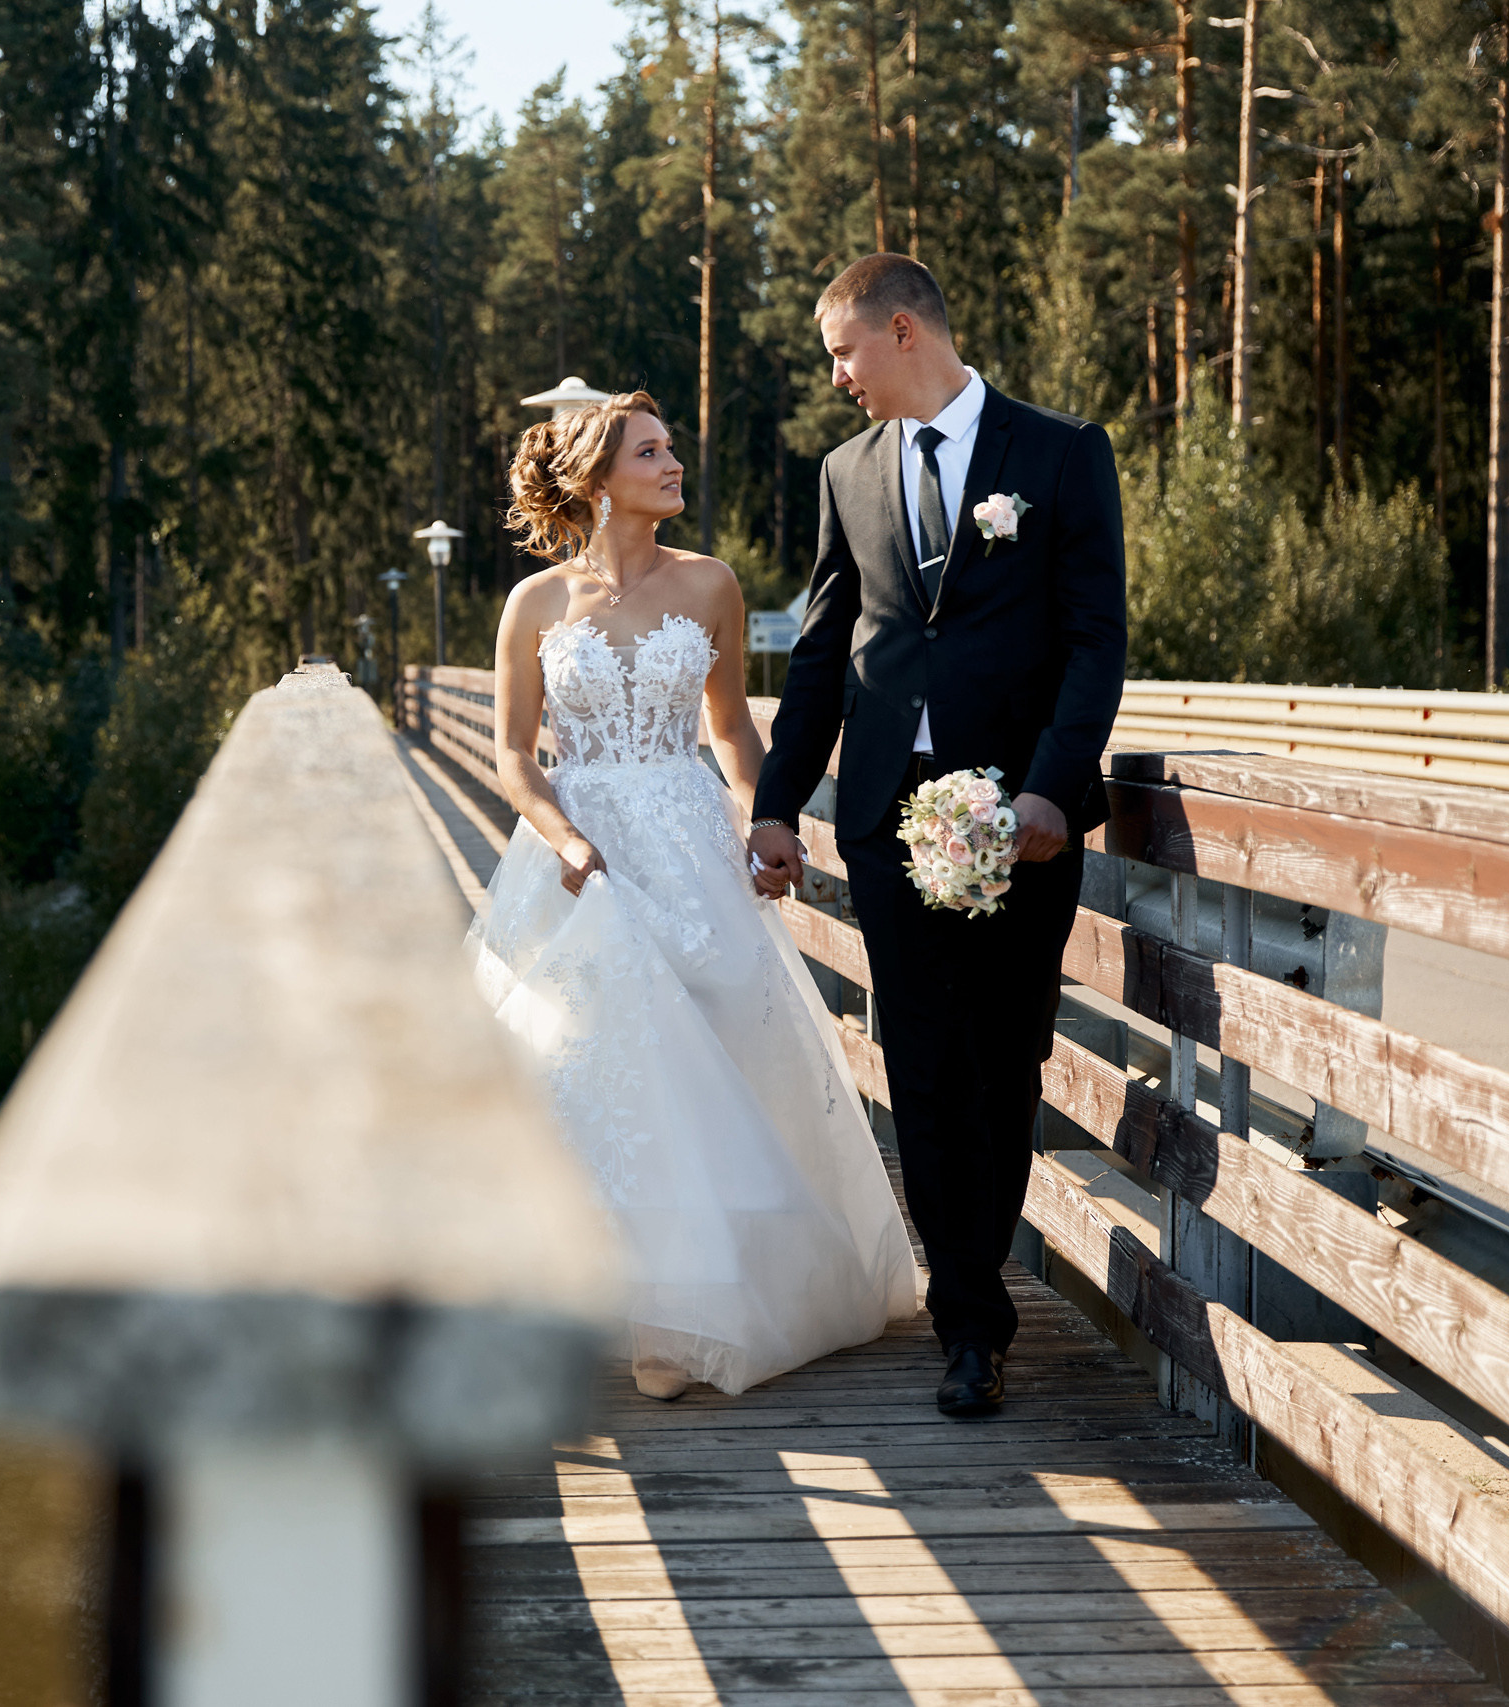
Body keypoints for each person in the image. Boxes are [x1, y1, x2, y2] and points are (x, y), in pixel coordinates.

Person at [468, 388, 919, 1402]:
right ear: (596, 479)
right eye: (649, 451)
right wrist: (567, 840)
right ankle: (633, 1312)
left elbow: (729, 729)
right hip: (582, 852)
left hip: (687, 840)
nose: (674, 464)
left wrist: (768, 820)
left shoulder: (710, 583)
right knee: (600, 1062)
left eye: (670, 448)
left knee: (713, 1054)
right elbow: (513, 755)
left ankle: (692, 1305)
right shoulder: (533, 604)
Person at [748, 254, 1127, 1417]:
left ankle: (972, 1285)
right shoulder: (846, 471)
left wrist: (1052, 790)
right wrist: (776, 801)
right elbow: (824, 652)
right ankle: (968, 1319)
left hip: (1019, 823)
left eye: (843, 353)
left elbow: (1094, 640)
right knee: (919, 1061)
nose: (838, 378)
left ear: (902, 330)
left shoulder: (1059, 454)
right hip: (884, 817)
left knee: (1003, 1059)